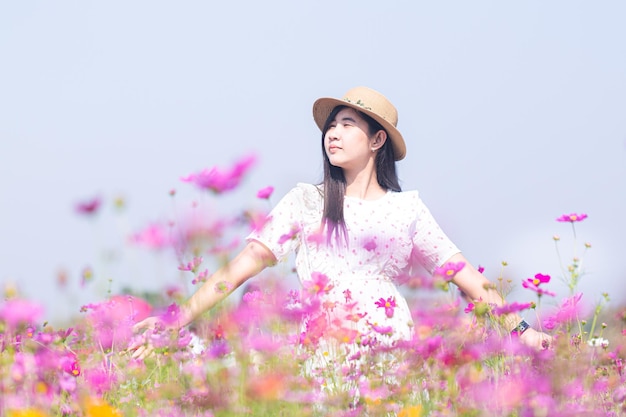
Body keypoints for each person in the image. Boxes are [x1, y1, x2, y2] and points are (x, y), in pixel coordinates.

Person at [130, 86, 549, 360]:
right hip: (316, 341)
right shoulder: (307, 201)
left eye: (347, 125)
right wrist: (175, 320)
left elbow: (471, 281)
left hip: (386, 344)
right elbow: (239, 268)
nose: (333, 132)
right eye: (331, 126)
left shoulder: (408, 210)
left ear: (377, 139)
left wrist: (523, 330)